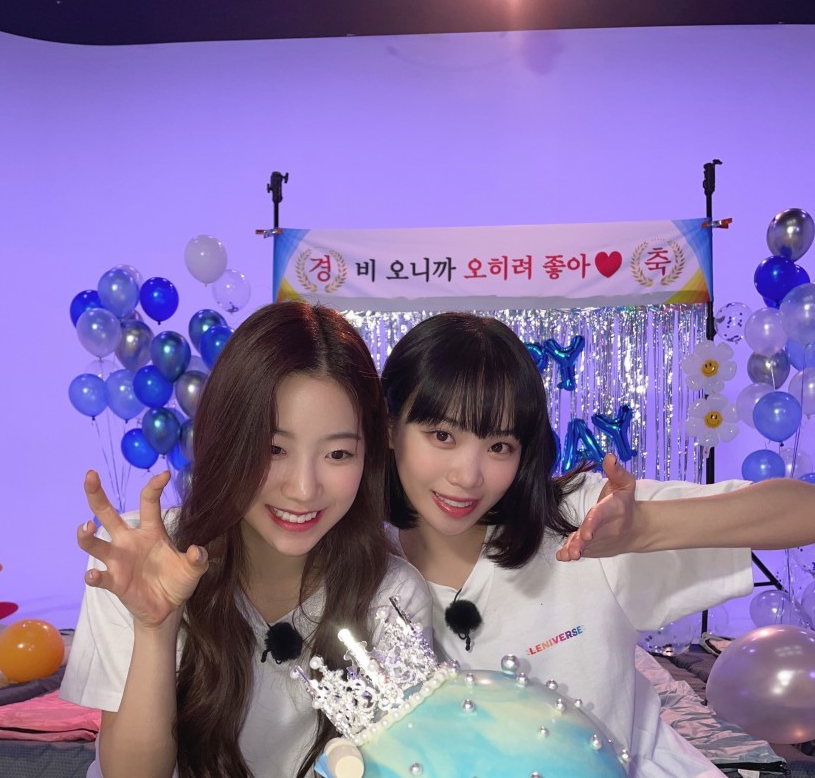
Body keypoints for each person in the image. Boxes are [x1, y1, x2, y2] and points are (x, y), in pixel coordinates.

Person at [380, 311, 815, 778]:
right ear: (388, 426)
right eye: (442, 436)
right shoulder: (361, 564)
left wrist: (647, 528)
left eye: (500, 446)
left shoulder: (584, 520)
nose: (468, 477)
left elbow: (801, 511)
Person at [60, 301, 431, 778]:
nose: (303, 489)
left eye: (338, 454)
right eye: (274, 448)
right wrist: (156, 628)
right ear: (226, 437)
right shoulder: (140, 559)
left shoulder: (392, 597)